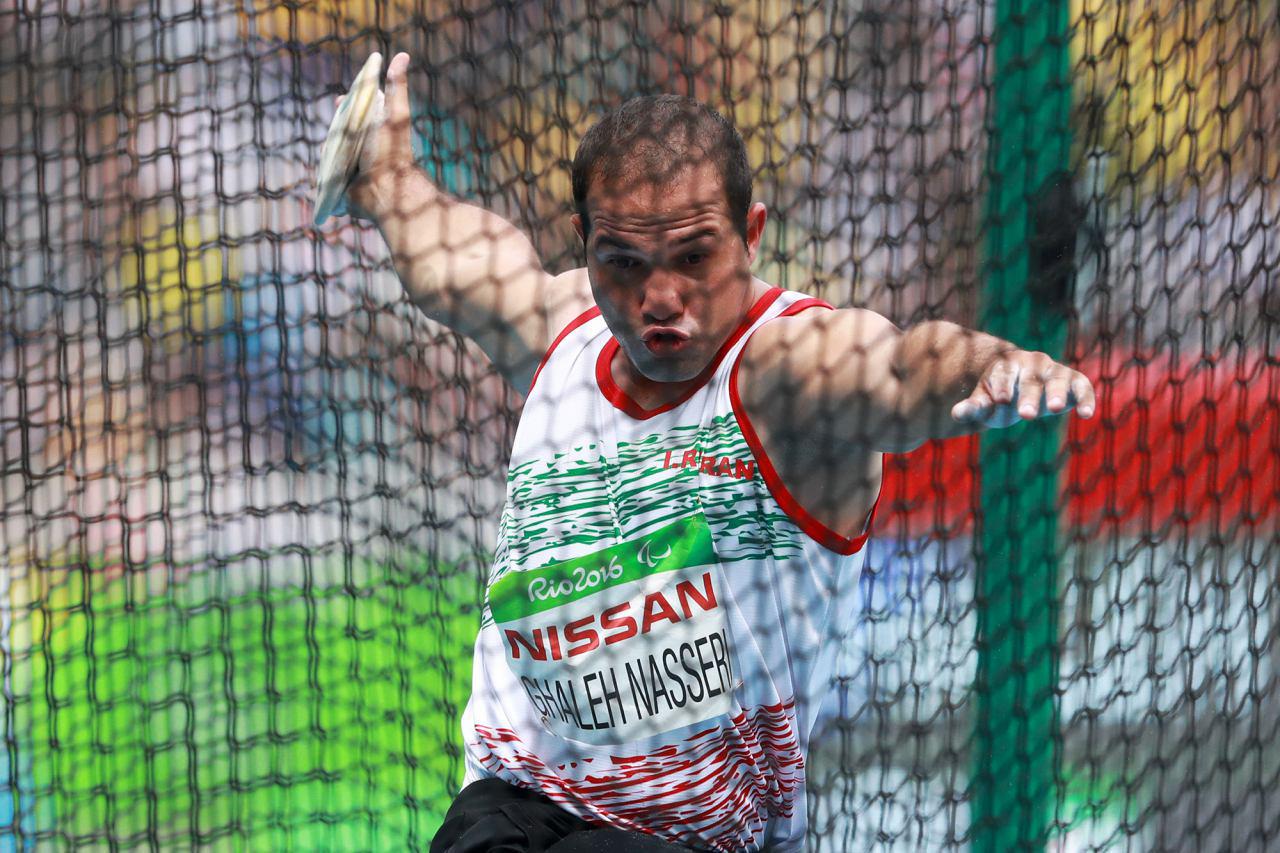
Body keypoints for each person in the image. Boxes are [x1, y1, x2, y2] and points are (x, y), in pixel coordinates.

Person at [338, 52, 1096, 853]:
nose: (660, 295)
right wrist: (388, 182)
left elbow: (902, 363)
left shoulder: (784, 371)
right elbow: (456, 263)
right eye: (624, 262)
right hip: (517, 804)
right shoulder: (564, 329)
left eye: (693, 256)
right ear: (585, 244)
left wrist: (990, 367)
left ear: (751, 234)